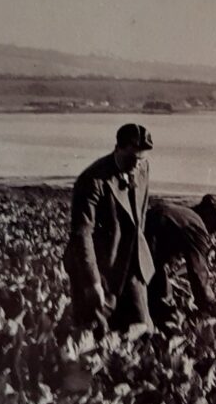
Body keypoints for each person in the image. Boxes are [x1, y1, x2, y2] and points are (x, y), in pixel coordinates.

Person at [63, 123, 156, 334]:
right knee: (95, 331)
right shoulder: (92, 181)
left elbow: (139, 215)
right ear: (118, 148)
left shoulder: (143, 168)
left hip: (131, 265)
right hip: (99, 267)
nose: (136, 165)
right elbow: (82, 234)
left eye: (141, 159)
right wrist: (93, 282)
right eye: (131, 158)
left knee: (142, 329)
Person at [145, 194, 216, 329]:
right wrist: (215, 310)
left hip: (138, 253)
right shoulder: (196, 226)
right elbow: (198, 273)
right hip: (144, 261)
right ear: (210, 213)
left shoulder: (182, 212)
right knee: (154, 314)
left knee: (162, 293)